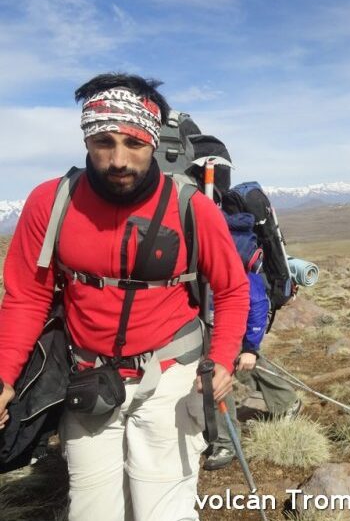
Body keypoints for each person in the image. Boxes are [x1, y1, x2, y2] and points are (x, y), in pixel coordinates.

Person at [0, 73, 250, 520]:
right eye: (103, 141)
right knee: (92, 512)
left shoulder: (191, 206)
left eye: (133, 144)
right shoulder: (51, 202)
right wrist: (4, 377)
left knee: (163, 511)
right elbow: (26, 297)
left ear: (153, 143)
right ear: (86, 140)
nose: (118, 159)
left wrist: (225, 361)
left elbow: (231, 290)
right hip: (88, 377)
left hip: (171, 378)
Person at [204, 214, 301, 471]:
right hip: (209, 322)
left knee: (230, 372)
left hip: (231, 324)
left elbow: (257, 303)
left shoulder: (234, 259)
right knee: (244, 371)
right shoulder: (205, 250)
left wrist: (251, 348)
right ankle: (285, 400)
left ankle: (226, 442)